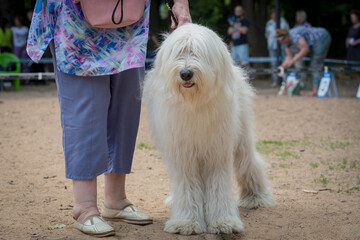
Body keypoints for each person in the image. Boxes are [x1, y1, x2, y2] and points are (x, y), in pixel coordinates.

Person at [27, 0, 191, 237]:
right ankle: (84, 207)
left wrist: (179, 3)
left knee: (126, 108)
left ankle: (116, 199)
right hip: (76, 22)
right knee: (85, 111)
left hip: (129, 22)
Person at [276, 27, 331, 97]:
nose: (283, 42)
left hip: (321, 37)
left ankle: (315, 91)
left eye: (283, 40)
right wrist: (282, 66)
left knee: (315, 64)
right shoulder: (286, 43)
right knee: (314, 64)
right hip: (313, 43)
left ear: (286, 36)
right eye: (281, 42)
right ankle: (312, 88)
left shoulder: (294, 36)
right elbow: (289, 56)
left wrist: (292, 62)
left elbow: (305, 49)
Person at [265, 8, 289, 87]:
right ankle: (276, 80)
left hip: (282, 46)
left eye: (276, 13)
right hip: (272, 46)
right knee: (274, 64)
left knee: (284, 62)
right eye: (273, 13)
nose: (274, 15)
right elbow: (267, 35)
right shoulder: (269, 23)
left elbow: (287, 33)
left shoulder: (283, 22)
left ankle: (285, 81)